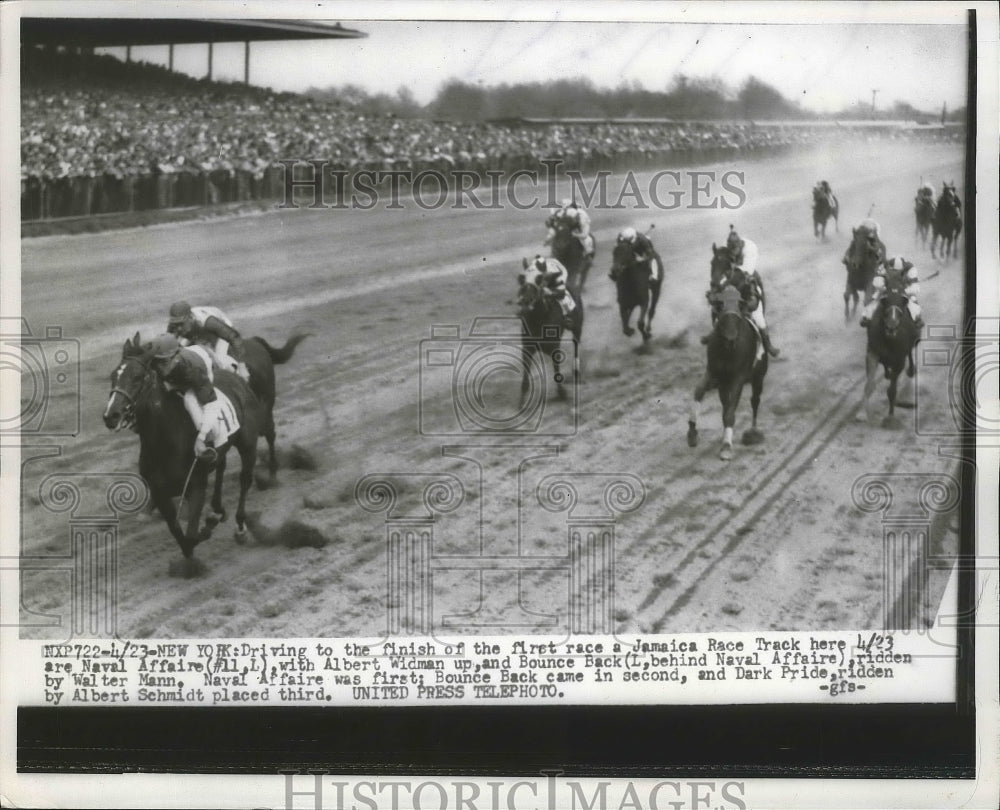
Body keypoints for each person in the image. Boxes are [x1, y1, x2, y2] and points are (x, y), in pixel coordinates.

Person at [148, 333, 236, 462]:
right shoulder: (158, 360)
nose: (161, 367)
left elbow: (211, 404)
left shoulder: (194, 369)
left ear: (176, 357)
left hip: (203, 364)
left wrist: (201, 436)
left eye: (165, 362)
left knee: (189, 398)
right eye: (158, 362)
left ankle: (208, 440)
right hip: (184, 365)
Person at [708, 227, 779, 357]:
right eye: (731, 251)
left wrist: (728, 278)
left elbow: (745, 272)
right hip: (730, 279)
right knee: (716, 303)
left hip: (747, 280)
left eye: (735, 251)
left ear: (740, 245)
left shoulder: (751, 249)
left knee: (756, 313)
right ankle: (714, 332)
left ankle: (767, 344)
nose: (733, 254)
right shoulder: (726, 246)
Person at [166, 301, 249, 380]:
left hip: (216, 332)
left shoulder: (209, 322)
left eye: (181, 324)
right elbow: (169, 345)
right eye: (176, 324)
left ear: (191, 318)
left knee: (220, 360)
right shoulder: (174, 325)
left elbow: (234, 337)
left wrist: (242, 367)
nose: (178, 328)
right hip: (196, 331)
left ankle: (237, 376)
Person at [859, 256, 923, 329]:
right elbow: (877, 282)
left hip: (904, 290)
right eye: (893, 271)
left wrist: (904, 290)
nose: (895, 274)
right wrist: (883, 287)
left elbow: (916, 288)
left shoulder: (910, 269)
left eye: (897, 272)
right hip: (886, 289)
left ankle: (917, 319)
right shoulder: (883, 267)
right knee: (875, 298)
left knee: (912, 300)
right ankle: (867, 317)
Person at [523, 255, 576, 324]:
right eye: (540, 269)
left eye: (543, 269)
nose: (542, 270)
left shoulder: (555, 272)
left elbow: (561, 292)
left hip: (559, 276)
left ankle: (567, 317)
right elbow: (529, 271)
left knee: (562, 296)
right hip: (546, 274)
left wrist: (550, 292)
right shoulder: (535, 266)